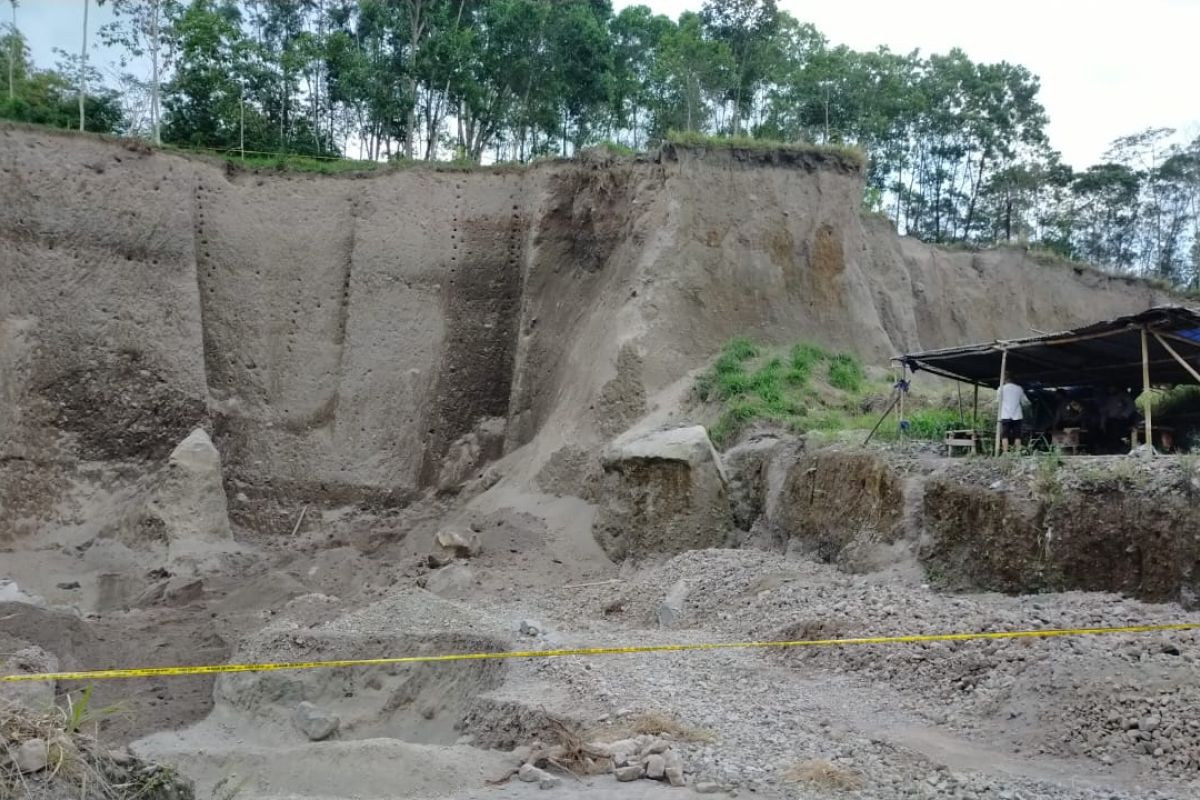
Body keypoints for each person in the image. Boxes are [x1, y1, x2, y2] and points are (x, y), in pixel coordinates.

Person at [998, 374, 1029, 453]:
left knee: (1004, 435)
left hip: (1005, 415)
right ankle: (1017, 453)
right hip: (1017, 415)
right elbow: (1025, 402)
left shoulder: (1001, 389)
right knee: (1017, 435)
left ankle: (1005, 453)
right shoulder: (1019, 389)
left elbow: (998, 401)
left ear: (1005, 380)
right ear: (1013, 380)